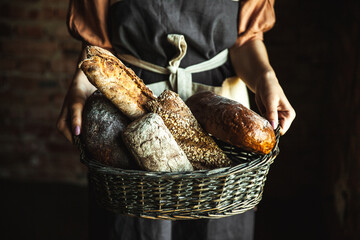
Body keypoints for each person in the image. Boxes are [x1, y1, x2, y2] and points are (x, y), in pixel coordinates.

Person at [57, 0, 296, 239]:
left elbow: (245, 39)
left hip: (220, 114)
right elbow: (98, 43)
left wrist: (266, 76)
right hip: (129, 119)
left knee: (217, 226)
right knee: (135, 226)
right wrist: (82, 85)